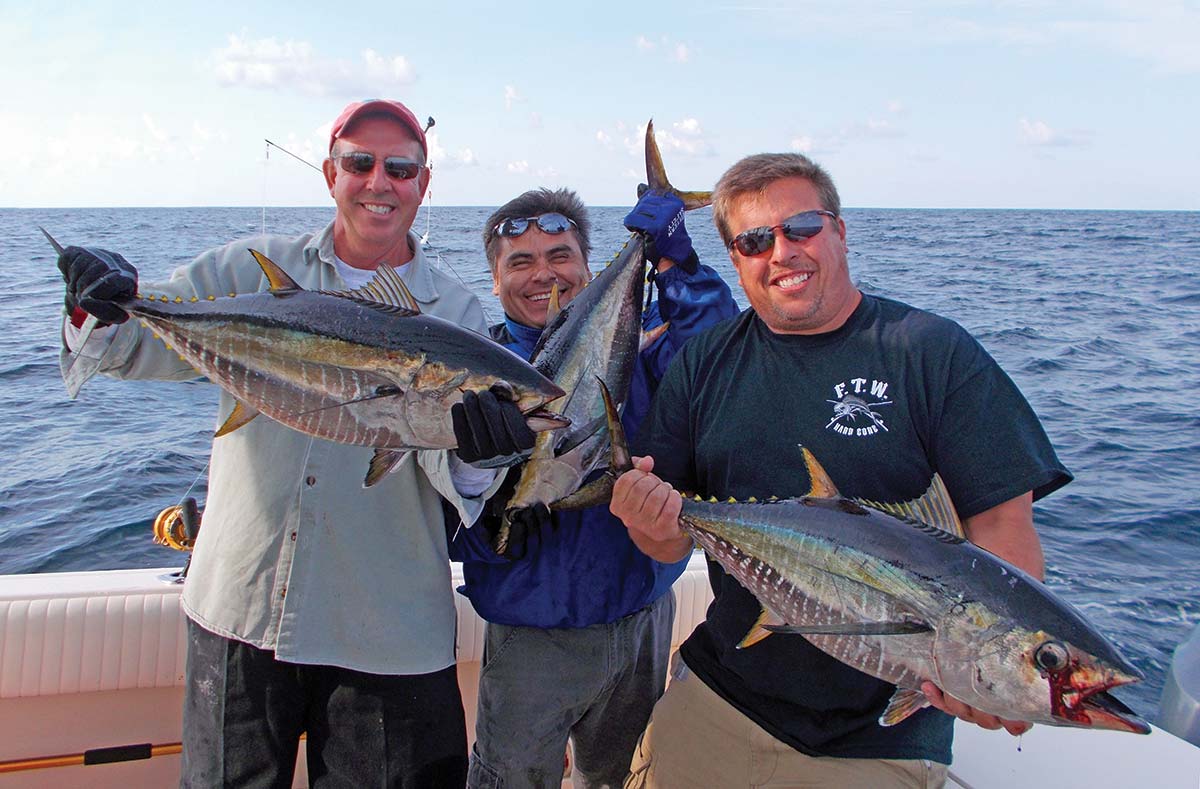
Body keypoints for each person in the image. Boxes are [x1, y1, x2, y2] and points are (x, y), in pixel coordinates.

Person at [56, 99, 536, 788]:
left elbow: (443, 464)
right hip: (240, 611)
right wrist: (94, 302)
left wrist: (476, 453)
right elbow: (130, 347)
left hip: (386, 635)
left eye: (400, 168)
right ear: (329, 173)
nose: (379, 182)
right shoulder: (248, 272)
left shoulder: (452, 313)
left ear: (423, 185)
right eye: (359, 163)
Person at [609, 152, 1073, 788]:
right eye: (753, 240)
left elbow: (1001, 522)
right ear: (736, 259)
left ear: (840, 230)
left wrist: (990, 665)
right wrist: (648, 519)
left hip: (881, 733)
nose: (783, 252)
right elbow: (664, 538)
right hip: (723, 692)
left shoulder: (931, 352)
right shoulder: (706, 361)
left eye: (801, 227)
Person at [447, 186, 738, 787]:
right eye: (519, 262)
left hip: (641, 622)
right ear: (494, 281)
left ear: (586, 267)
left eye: (559, 256)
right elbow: (448, 522)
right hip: (532, 638)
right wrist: (496, 523)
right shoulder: (476, 378)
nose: (541, 274)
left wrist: (677, 263)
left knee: (618, 778)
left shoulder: (642, 348)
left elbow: (716, 346)